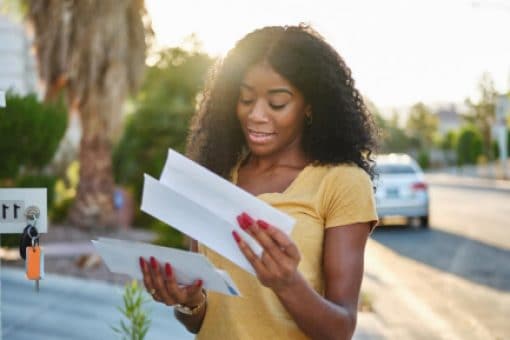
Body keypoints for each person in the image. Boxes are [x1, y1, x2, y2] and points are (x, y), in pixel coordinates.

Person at [139, 24, 378, 340]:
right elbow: (205, 320)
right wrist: (189, 302)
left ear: (310, 106)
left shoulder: (342, 182)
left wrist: (287, 283)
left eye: (277, 103)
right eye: (246, 99)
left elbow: (340, 330)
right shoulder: (216, 174)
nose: (256, 115)